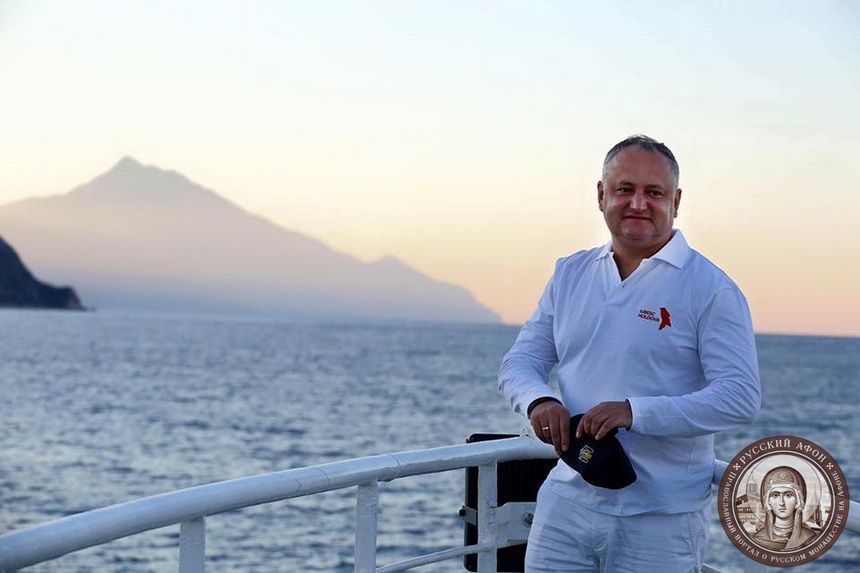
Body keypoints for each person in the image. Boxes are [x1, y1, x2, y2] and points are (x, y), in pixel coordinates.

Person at [498, 135, 761, 572]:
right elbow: (520, 361)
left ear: (676, 202)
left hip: (660, 520)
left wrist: (634, 412)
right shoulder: (570, 273)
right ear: (602, 195)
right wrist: (538, 401)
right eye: (625, 189)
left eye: (654, 192)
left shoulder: (711, 289)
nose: (638, 203)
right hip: (565, 503)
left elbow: (739, 397)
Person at [753, 466, 817, 550]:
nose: (781, 503)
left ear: (798, 501)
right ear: (767, 502)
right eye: (775, 495)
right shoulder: (759, 539)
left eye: (788, 495)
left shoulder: (809, 539)